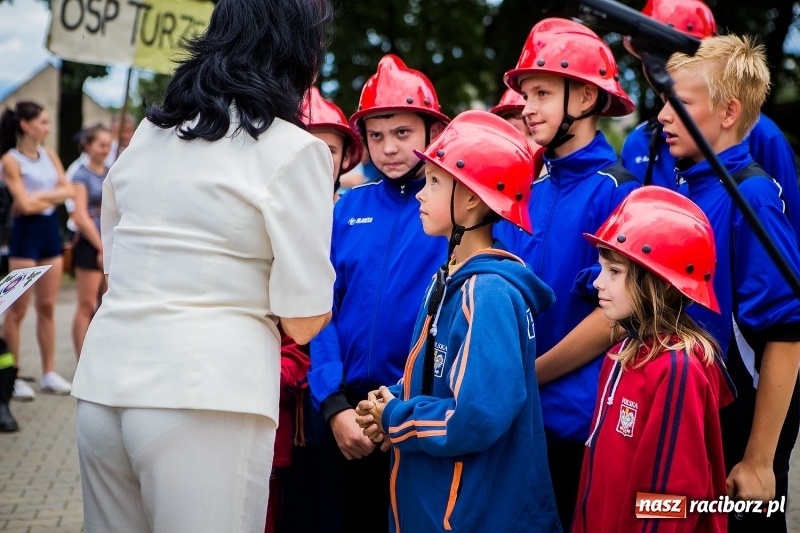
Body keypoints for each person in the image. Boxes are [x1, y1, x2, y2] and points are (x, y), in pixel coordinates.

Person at [70, 0, 336, 531]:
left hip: (104, 385)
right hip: (209, 392)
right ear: (297, 52)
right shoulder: (295, 151)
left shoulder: (150, 134)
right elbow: (304, 319)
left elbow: (115, 256)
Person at [355, 110, 560, 533]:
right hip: (435, 506)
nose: (419, 194)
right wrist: (386, 400)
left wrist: (395, 418)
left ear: (470, 197)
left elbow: (478, 414)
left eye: (433, 181)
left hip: (470, 514)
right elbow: (437, 377)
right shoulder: (450, 280)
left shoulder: (487, 294)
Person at [494, 18, 640, 528]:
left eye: (539, 93)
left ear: (582, 97)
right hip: (510, 417)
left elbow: (617, 319)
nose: (526, 107)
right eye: (525, 95)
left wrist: (528, 378)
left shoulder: (618, 191)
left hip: (574, 427)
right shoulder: (528, 188)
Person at [660, 34, 800, 532]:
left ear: (728, 112)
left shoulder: (754, 197)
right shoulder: (687, 187)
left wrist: (761, 461)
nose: (662, 116)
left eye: (679, 104)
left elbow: (786, 334)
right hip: (694, 421)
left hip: (737, 427)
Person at [305, 54, 448, 533]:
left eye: (402, 133)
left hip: (414, 416)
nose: (388, 148)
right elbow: (318, 310)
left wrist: (399, 406)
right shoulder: (346, 209)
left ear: (432, 131)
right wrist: (335, 407)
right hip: (341, 417)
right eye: (377, 135)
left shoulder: (451, 210)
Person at [573, 187, 734, 532]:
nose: (598, 282)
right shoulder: (621, 352)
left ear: (658, 283)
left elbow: (671, 497)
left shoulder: (678, 370)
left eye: (614, 271)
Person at [620, 0, 800, 245]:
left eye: (670, 54)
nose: (656, 66)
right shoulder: (638, 142)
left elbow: (786, 236)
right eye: (647, 54)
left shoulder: (763, 135)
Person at [265, 88, 362, 533]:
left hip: (328, 399)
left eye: (326, 150)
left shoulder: (349, 219)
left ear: (344, 158)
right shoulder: (264, 219)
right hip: (272, 403)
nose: (311, 159)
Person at [0, 101, 74, 400]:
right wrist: (50, 198)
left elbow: (69, 191)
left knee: (47, 307)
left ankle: (48, 372)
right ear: (26, 126)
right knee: (17, 310)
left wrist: (39, 195)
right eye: (42, 122)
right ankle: (13, 374)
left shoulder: (51, 155)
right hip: (25, 235)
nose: (47, 126)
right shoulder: (10, 160)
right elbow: (23, 205)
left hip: (48, 234)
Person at [70, 125, 111, 358]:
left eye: (108, 145)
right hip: (90, 243)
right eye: (101, 145)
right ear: (88, 146)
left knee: (105, 305)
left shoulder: (111, 171)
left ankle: (100, 357)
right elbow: (81, 216)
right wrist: (100, 246)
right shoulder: (80, 175)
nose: (105, 149)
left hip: (108, 243)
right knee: (86, 305)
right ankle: (80, 360)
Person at [300, 86, 363, 202]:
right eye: (306, 150)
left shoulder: (358, 214)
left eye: (329, 151)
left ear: (346, 157)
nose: (317, 160)